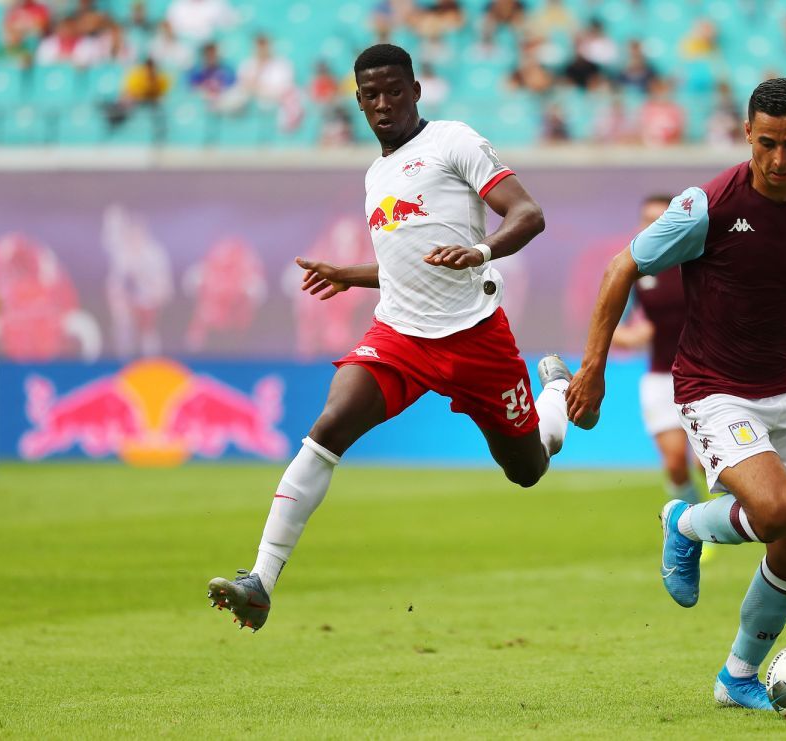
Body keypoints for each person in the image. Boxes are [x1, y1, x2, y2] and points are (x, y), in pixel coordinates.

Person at [207, 44, 588, 631]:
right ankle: (260, 582)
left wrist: (481, 251)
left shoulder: (454, 141)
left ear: (416, 91)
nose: (383, 104)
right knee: (329, 427)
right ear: (359, 103)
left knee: (528, 468)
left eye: (393, 91)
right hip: (400, 336)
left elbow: (528, 215)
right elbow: (406, 267)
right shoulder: (376, 175)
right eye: (371, 95)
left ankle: (555, 397)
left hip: (475, 339)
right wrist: (349, 274)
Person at [567, 78, 786, 709]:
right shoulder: (707, 205)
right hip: (713, 387)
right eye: (766, 143)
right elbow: (621, 267)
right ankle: (684, 522)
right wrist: (593, 368)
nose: (778, 159)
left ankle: (737, 677)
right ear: (746, 134)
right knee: (776, 512)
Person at [610, 195, 700, 508]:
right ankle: (689, 524)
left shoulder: (698, 262)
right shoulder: (634, 270)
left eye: (662, 219)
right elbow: (612, 327)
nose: (655, 227)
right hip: (661, 378)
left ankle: (724, 520)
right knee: (675, 463)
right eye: (648, 220)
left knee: (707, 463)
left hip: (707, 376)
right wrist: (632, 337)